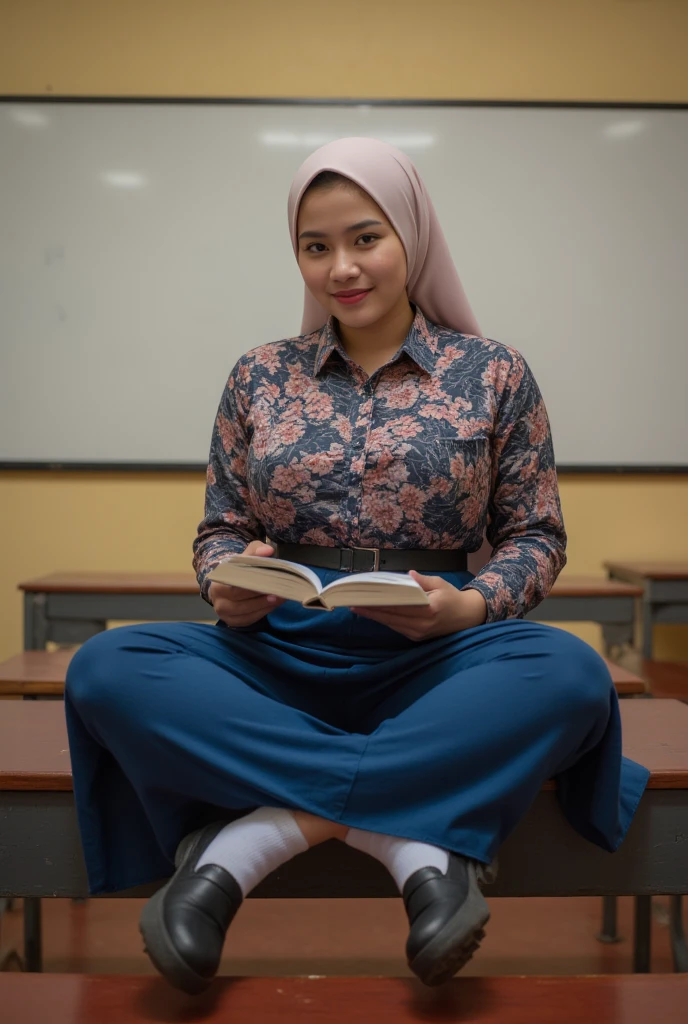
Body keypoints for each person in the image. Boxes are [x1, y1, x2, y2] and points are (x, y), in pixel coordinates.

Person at [65, 137, 649, 995]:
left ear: (411, 235)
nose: (342, 266)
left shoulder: (495, 375)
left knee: (567, 672)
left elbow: (537, 535)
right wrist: (226, 583)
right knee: (107, 667)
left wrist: (473, 606)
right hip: (277, 652)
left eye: (365, 237)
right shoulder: (259, 376)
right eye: (316, 245)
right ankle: (414, 847)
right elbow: (220, 527)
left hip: (436, 659)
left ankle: (239, 847)